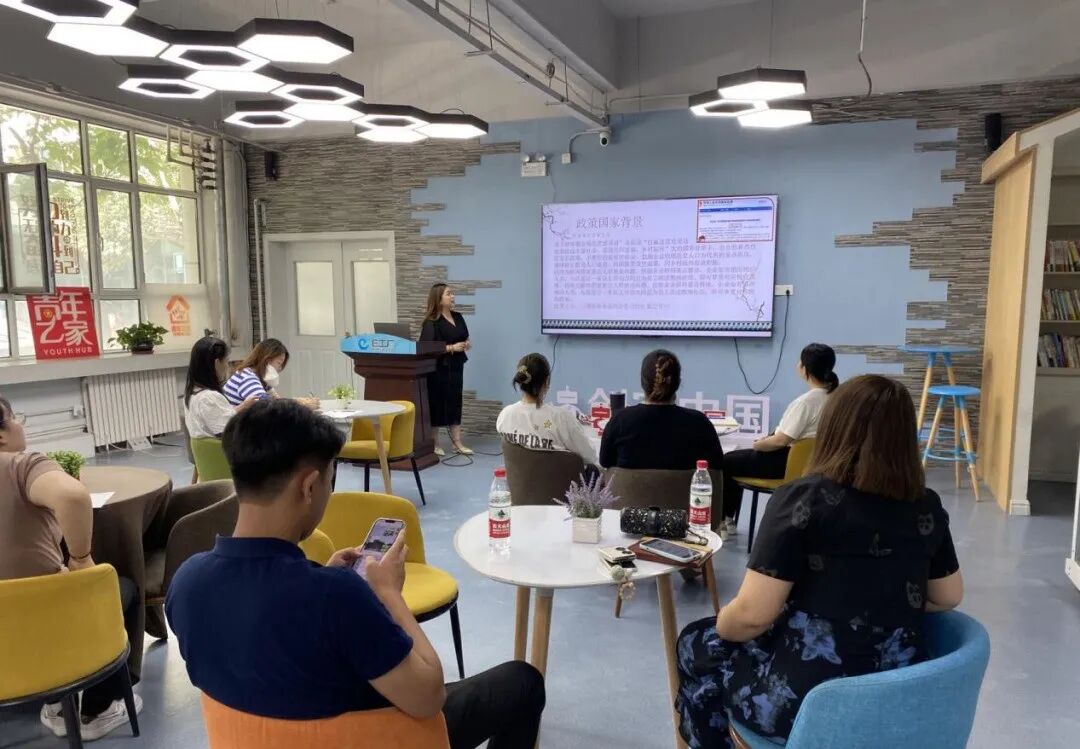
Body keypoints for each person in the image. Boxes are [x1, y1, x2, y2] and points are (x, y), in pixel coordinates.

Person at [166, 399, 545, 748]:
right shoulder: (336, 596)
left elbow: (268, 642)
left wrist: (322, 575)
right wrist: (389, 595)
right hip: (376, 736)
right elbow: (429, 697)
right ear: (309, 486)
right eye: (330, 481)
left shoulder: (186, 583)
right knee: (523, 682)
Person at [675, 375, 963, 748]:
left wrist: (724, 622)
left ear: (835, 430)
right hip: (897, 699)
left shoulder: (803, 501)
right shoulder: (925, 505)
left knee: (695, 644)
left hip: (804, 704)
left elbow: (751, 616)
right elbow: (947, 595)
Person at [0, 396, 142, 740]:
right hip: (42, 620)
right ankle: (97, 709)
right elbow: (73, 497)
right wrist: (79, 558)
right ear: (2, 434)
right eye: (16, 418)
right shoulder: (20, 466)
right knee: (120, 589)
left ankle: (51, 702)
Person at [719, 343, 838, 536]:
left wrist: (758, 444)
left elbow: (780, 441)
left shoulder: (806, 402)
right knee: (736, 460)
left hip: (784, 463)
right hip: (814, 464)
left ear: (805, 368)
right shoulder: (837, 398)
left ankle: (725, 521)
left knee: (727, 461)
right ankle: (728, 520)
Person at [599, 349, 723, 471]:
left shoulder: (620, 421)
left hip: (627, 486)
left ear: (642, 382)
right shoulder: (699, 423)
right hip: (684, 486)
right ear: (678, 382)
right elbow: (717, 467)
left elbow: (605, 462)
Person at [496, 353, 598, 466]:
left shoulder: (505, 415)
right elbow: (590, 456)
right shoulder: (562, 418)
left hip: (519, 477)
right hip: (559, 477)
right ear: (547, 381)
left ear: (520, 381)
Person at [419, 283, 472, 456]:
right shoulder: (431, 321)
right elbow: (427, 347)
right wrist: (450, 348)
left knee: (455, 402)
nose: (452, 296)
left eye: (452, 293)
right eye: (449, 294)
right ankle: (435, 443)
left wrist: (466, 344)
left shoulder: (458, 316)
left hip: (456, 366)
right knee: (437, 403)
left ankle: (457, 443)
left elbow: (465, 336)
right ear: (439, 298)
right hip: (438, 369)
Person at [184, 336, 258, 438]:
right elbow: (227, 432)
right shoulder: (209, 397)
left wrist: (243, 406)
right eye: (226, 361)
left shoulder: (192, 392)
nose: (227, 366)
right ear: (217, 363)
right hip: (223, 447)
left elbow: (220, 416)